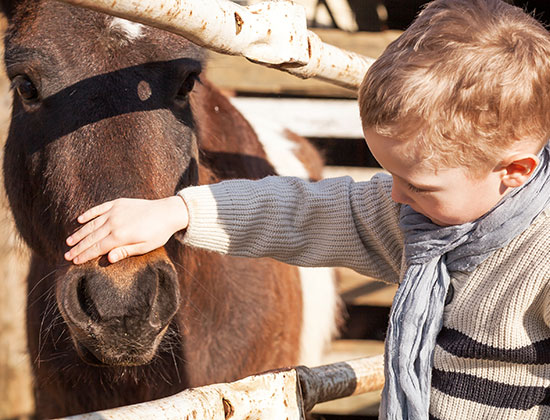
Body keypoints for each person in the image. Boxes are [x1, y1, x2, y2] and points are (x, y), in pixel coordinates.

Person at [64, 0, 550, 418]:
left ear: (515, 170)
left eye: (417, 184)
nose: (395, 195)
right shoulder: (420, 223)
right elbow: (301, 212)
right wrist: (178, 212)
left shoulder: (540, 254)